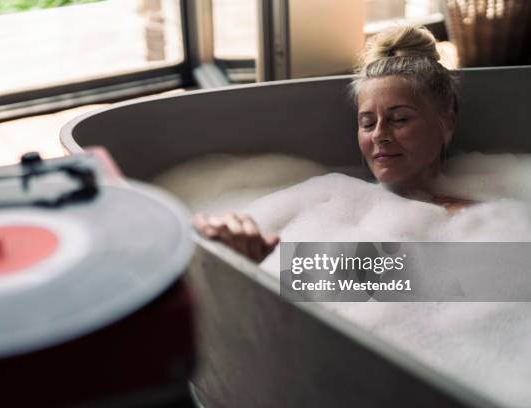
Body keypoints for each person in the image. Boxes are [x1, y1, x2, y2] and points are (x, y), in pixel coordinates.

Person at [193, 25, 475, 262]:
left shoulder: (468, 221)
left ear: (446, 123)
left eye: (399, 119)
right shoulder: (323, 197)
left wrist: (261, 266)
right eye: (366, 123)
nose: (378, 134)